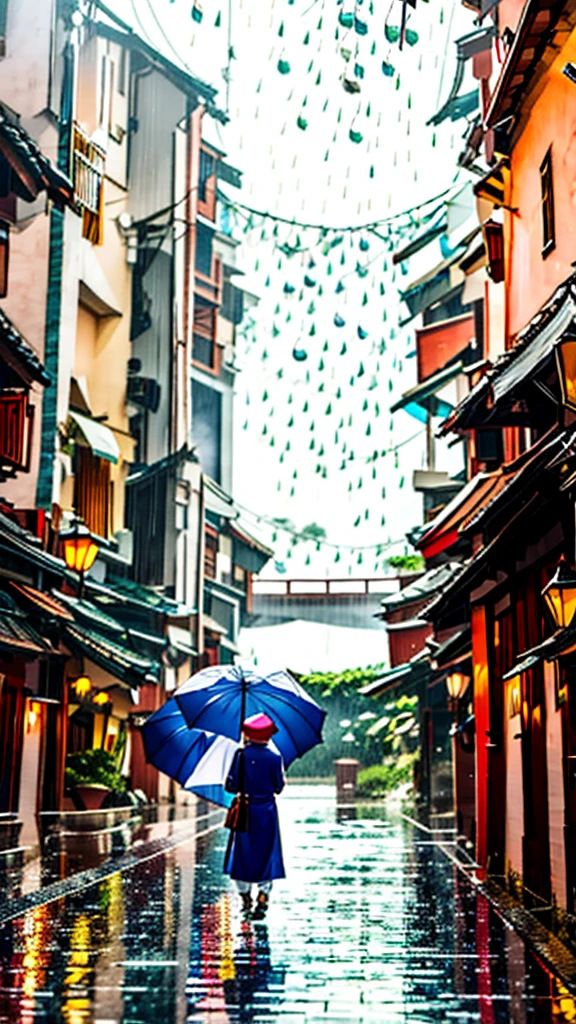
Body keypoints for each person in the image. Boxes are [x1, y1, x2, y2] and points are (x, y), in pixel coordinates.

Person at [224, 712, 285, 919]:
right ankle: (263, 895)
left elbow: (231, 786)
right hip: (266, 811)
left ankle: (245, 897)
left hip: (245, 811)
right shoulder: (275, 758)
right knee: (266, 853)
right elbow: (278, 787)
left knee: (243, 853)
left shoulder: (240, 756)